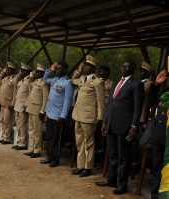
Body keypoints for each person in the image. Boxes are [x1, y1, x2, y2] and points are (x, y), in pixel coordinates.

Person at [96, 60, 144, 195]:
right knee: (112, 154)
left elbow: (137, 107)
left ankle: (122, 185)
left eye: (126, 66)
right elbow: (110, 103)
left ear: (132, 69)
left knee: (123, 157)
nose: (122, 68)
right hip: (111, 124)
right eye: (122, 65)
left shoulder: (136, 84)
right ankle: (111, 180)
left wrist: (134, 126)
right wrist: (105, 121)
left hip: (125, 126)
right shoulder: (116, 82)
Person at [71, 55, 105, 177]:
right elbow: (72, 79)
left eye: (87, 66)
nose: (84, 67)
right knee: (79, 142)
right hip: (78, 115)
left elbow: (101, 103)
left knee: (88, 143)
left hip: (89, 117)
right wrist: (78, 70)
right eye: (84, 65)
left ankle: (88, 167)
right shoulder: (82, 78)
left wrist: (100, 118)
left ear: (93, 68)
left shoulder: (97, 82)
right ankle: (80, 166)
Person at [40, 61, 73, 167]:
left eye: (59, 69)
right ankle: (49, 156)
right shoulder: (54, 80)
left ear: (65, 70)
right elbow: (45, 79)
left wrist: (63, 116)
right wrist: (51, 69)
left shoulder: (67, 83)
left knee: (56, 138)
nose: (57, 70)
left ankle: (55, 158)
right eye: (56, 68)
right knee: (49, 137)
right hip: (50, 113)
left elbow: (67, 101)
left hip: (58, 116)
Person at [146, 69, 167, 199]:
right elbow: (151, 102)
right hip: (159, 134)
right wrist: (157, 84)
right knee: (157, 167)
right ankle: (155, 195)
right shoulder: (165, 91)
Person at [24, 63, 48, 158]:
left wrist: (43, 111)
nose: (36, 73)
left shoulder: (43, 84)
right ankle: (31, 149)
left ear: (42, 73)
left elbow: (45, 99)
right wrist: (31, 75)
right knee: (31, 130)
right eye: (36, 72)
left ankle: (37, 150)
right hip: (31, 108)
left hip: (38, 110)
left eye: (38, 72)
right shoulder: (35, 82)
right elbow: (28, 84)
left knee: (37, 131)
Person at [12, 63, 33, 150]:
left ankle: (22, 143)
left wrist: (26, 105)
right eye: (20, 70)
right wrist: (18, 76)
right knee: (18, 125)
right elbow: (14, 83)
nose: (21, 71)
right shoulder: (21, 80)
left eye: (23, 70)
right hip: (17, 104)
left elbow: (30, 94)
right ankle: (19, 141)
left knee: (22, 125)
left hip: (22, 105)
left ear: (27, 72)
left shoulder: (29, 80)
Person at [0, 62, 17, 145]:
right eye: (6, 69)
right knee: (2, 120)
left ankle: (7, 138)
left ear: (12, 70)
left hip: (8, 103)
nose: (6, 71)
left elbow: (15, 92)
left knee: (7, 121)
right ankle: (3, 136)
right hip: (2, 102)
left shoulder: (15, 79)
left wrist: (12, 103)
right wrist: (1, 74)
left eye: (8, 70)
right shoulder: (5, 78)